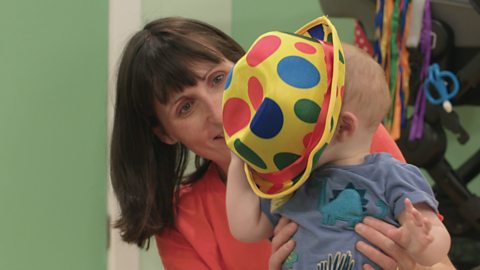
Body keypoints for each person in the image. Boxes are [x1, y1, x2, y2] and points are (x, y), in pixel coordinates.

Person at [109, 16, 456, 270]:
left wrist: (411, 265)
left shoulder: (343, 137)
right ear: (166, 133)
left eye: (219, 79)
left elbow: (439, 258)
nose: (218, 110)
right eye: (185, 107)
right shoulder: (183, 219)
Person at [224, 16, 451, 269]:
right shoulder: (292, 180)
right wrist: (238, 157)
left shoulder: (390, 174)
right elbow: (246, 228)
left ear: (343, 127)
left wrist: (421, 243)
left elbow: (437, 240)